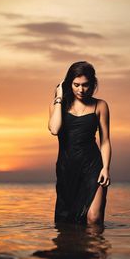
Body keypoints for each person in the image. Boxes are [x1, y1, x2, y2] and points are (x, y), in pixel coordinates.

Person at [48, 61, 112, 225]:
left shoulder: (100, 105)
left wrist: (105, 168)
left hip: (93, 166)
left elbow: (105, 141)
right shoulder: (58, 106)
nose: (81, 89)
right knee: (68, 222)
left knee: (94, 218)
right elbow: (54, 129)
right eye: (76, 85)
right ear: (68, 84)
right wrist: (59, 98)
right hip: (67, 167)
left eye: (85, 85)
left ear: (92, 84)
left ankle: (97, 249)